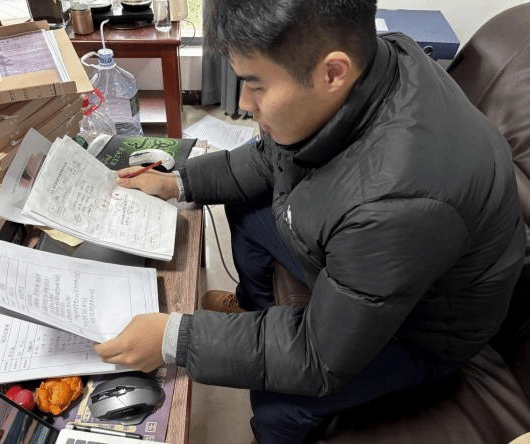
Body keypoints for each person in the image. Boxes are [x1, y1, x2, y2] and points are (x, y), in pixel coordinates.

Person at [93, 0, 526, 442]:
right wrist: (177, 182)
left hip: (422, 328)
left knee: (279, 403)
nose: (243, 103)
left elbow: (319, 357)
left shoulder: (399, 198)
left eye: (256, 86)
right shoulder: (373, 62)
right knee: (244, 206)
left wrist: (175, 338)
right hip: (376, 269)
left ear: (333, 73)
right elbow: (270, 157)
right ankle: (256, 314)